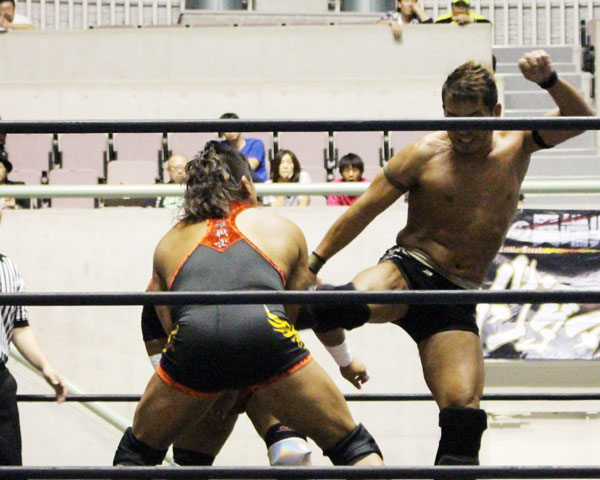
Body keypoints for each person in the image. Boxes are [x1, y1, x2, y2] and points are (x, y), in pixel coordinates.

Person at [299, 50, 594, 466]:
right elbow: (364, 209)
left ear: (495, 112)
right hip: (408, 269)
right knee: (337, 305)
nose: (463, 132)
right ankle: (252, 332)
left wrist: (549, 80)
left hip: (456, 297)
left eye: (473, 119)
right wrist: (313, 264)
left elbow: (581, 119)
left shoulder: (518, 142)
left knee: (463, 417)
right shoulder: (423, 153)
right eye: (453, 118)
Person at [113, 140, 384, 468]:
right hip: (265, 337)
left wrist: (198, 376)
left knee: (136, 455)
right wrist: (345, 360)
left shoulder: (168, 243)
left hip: (194, 349)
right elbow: (301, 310)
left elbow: (164, 323)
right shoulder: (281, 229)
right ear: (246, 184)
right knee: (350, 445)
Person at [141, 302, 314, 467]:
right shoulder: (164, 297)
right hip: (207, 370)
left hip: (258, 362)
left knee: (291, 454)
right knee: (187, 466)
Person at [0, 248, 66, 465]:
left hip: (1, 384)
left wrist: (45, 366)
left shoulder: (7, 268)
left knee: (9, 468)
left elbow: (19, 326)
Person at [220, 113, 268, 184]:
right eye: (226, 129)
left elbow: (248, 168)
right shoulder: (220, 147)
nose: (230, 132)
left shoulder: (255, 144)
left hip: (256, 184)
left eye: (233, 127)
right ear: (222, 133)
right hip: (231, 185)